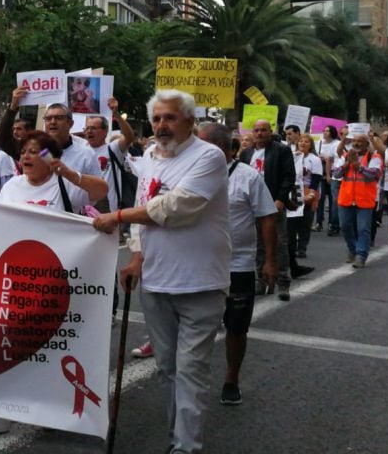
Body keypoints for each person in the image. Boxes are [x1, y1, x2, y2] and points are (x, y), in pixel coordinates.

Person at [92, 90, 230, 454]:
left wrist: (117, 216)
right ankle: (178, 437)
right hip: (155, 282)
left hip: (200, 281)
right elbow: (143, 211)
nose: (161, 126)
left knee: (190, 369)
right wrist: (136, 256)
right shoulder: (151, 157)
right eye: (156, 119)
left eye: (169, 118)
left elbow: (177, 207)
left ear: (189, 121)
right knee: (168, 368)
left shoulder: (210, 156)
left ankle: (186, 447)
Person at [0, 130, 82, 436]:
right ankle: (3, 410)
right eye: (24, 151)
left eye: (35, 151)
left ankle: (49, 407)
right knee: (8, 341)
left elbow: (100, 190)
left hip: (52, 279)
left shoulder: (64, 184)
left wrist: (66, 172)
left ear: (50, 158)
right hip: (14, 278)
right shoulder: (13, 185)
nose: (27, 156)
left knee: (47, 346)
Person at [196, 123, 277, 406]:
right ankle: (195, 379)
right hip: (199, 265)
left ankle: (231, 378)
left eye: (203, 143)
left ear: (221, 147)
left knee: (236, 327)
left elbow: (267, 217)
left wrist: (268, 261)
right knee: (196, 326)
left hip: (238, 265)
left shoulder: (248, 177)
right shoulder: (189, 174)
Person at [237, 119, 297, 301]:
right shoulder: (246, 153)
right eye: (256, 130)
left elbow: (288, 176)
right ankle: (261, 281)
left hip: (272, 204)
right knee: (257, 244)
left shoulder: (281, 150)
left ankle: (283, 283)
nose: (260, 133)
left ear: (270, 132)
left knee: (279, 243)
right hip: (250, 206)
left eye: (263, 130)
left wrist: (280, 199)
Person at [334, 134, 383, 267]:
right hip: (346, 198)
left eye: (360, 141)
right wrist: (346, 165)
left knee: (363, 229)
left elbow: (373, 175)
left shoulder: (374, 157)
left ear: (367, 144)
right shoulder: (345, 156)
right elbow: (336, 174)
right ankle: (352, 249)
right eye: (354, 141)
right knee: (345, 226)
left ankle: (361, 255)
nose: (356, 143)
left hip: (365, 199)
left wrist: (358, 166)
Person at [84, 97, 136, 213]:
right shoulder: (82, 151)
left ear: (105, 131)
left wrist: (116, 114)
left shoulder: (113, 148)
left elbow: (129, 137)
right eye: (87, 128)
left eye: (93, 128)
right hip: (85, 208)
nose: (89, 132)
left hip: (110, 210)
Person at [288, 136, 322, 262]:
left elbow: (316, 178)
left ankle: (302, 248)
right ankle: (291, 247)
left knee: (305, 222)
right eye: (301, 140)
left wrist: (312, 194)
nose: (303, 143)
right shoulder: (291, 156)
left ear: (311, 145)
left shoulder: (315, 160)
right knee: (291, 221)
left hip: (308, 190)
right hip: (294, 190)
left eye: (306, 141)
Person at [315, 125, 340, 233]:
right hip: (320, 173)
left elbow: (335, 157)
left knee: (332, 200)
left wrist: (327, 158)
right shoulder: (319, 143)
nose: (325, 133)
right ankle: (319, 222)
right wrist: (319, 157)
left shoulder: (336, 143)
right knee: (320, 199)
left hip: (333, 173)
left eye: (328, 131)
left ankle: (332, 222)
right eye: (324, 130)